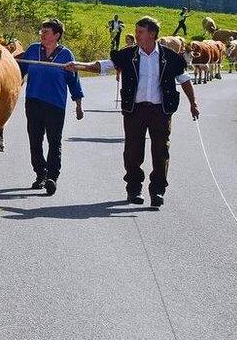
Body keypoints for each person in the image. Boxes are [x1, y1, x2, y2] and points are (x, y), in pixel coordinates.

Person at [68, 16, 199, 208]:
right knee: (132, 151)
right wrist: (79, 65)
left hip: (160, 111)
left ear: (152, 34)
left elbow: (184, 79)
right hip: (135, 110)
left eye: (140, 32)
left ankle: (157, 191)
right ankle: (134, 188)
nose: (136, 35)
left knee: (161, 151)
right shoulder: (128, 55)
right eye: (137, 31)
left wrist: (193, 103)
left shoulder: (169, 57)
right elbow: (104, 66)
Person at [16, 19, 83, 195]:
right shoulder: (33, 50)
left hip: (55, 105)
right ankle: (41, 173)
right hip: (33, 102)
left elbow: (74, 81)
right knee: (35, 140)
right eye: (42, 31)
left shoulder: (66, 55)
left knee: (54, 141)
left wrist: (78, 104)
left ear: (56, 35)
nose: (42, 34)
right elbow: (18, 71)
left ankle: (52, 177)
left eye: (46, 32)